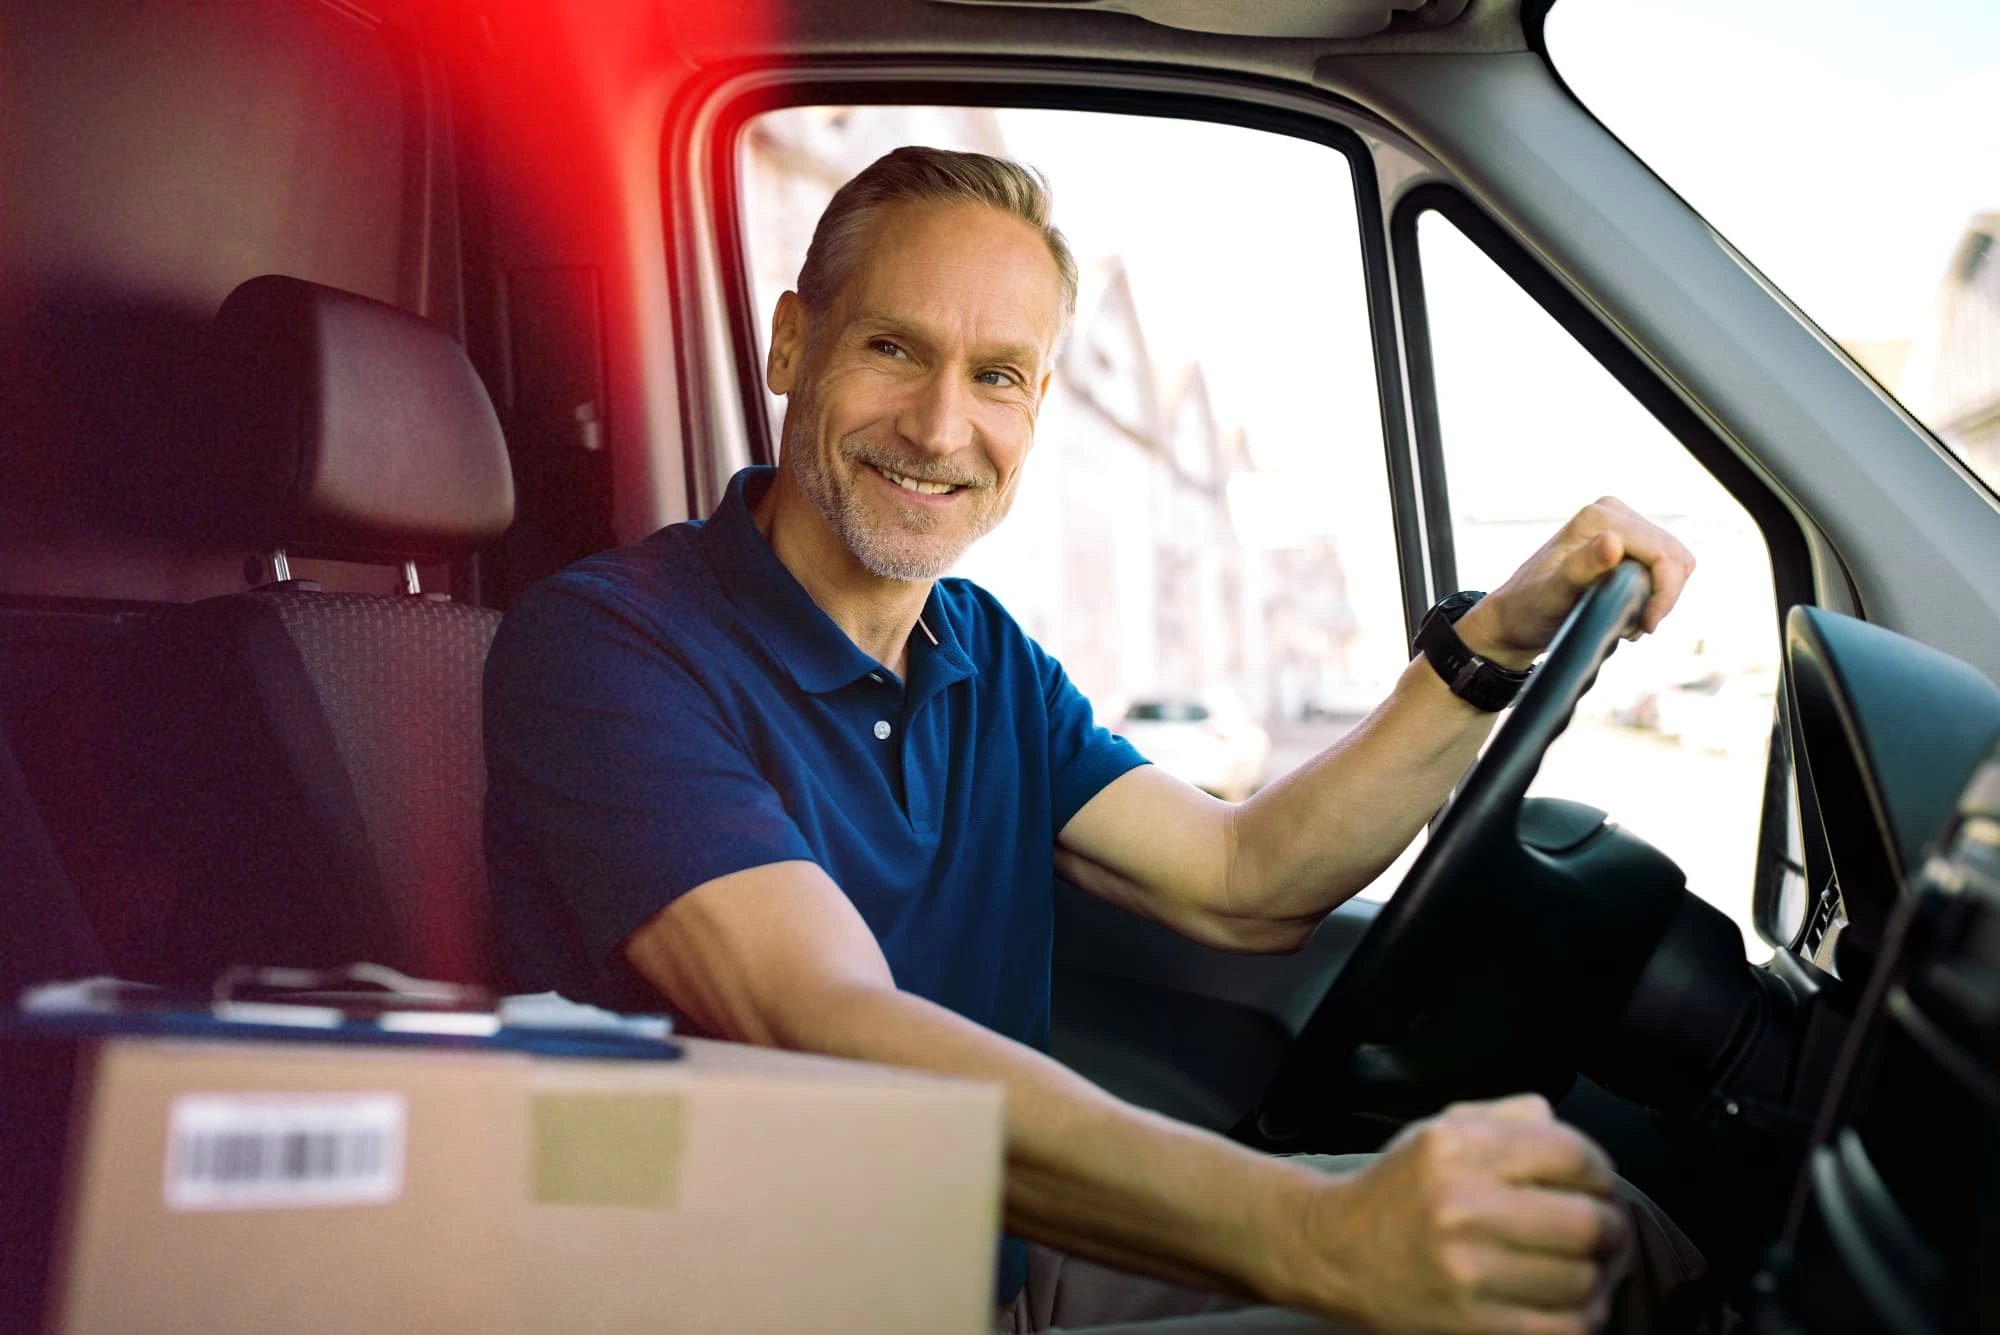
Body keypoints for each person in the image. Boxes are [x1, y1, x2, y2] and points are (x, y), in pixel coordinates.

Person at [483, 145, 1701, 1334]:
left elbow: (1244, 882)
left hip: (992, 1266)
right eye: (893, 347)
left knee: (1600, 1247)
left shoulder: (982, 653)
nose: (939, 426)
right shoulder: (608, 647)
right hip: (793, 1297)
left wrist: (1490, 642)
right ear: (793, 342)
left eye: (998, 376)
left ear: (1038, 404)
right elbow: (822, 1025)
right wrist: (1317, 1239)